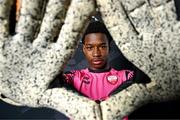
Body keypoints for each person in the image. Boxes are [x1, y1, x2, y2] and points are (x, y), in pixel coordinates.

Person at [52, 19, 150, 120]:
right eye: (90, 48)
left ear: (109, 48)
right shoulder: (73, 77)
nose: (96, 54)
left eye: (102, 47)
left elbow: (145, 76)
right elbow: (51, 80)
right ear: (84, 50)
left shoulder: (126, 76)